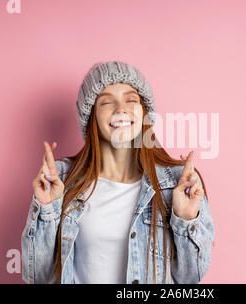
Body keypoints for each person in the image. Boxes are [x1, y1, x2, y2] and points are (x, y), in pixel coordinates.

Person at [21, 61, 215, 284]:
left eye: (131, 99)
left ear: (144, 112)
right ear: (91, 116)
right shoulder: (62, 180)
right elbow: (37, 277)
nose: (121, 108)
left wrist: (186, 219)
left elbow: (191, 278)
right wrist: (46, 210)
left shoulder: (177, 183)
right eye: (106, 101)